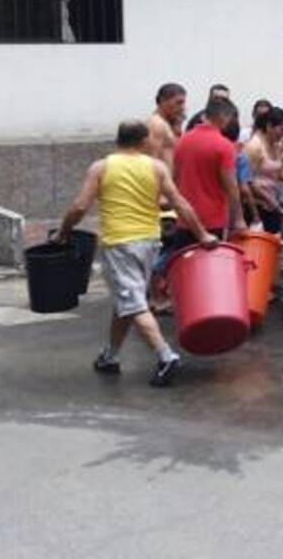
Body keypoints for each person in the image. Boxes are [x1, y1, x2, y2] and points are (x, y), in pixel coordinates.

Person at [56, 120, 216, 387]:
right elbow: (180, 203)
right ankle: (110, 355)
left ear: (119, 140)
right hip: (150, 243)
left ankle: (166, 356)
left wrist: (63, 231)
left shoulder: (101, 167)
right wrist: (203, 234)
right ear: (142, 142)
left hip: (120, 244)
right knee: (127, 299)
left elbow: (79, 206)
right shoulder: (156, 168)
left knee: (132, 302)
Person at [168, 97, 247, 253]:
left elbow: (175, 178)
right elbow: (231, 187)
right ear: (224, 117)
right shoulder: (223, 146)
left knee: (185, 267)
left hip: (184, 219)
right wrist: (239, 219)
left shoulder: (182, 141)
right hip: (212, 221)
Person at [245, 106, 283, 234]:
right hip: (257, 206)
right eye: (282, 130)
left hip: (272, 203)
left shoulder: (275, 145)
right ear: (269, 126)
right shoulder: (254, 146)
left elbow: (280, 173)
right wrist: (268, 199)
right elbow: (248, 181)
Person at [147, 83, 187, 170]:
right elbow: (151, 161)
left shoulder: (168, 125)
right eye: (178, 103)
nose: (183, 107)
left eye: (183, 103)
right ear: (162, 101)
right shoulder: (156, 124)